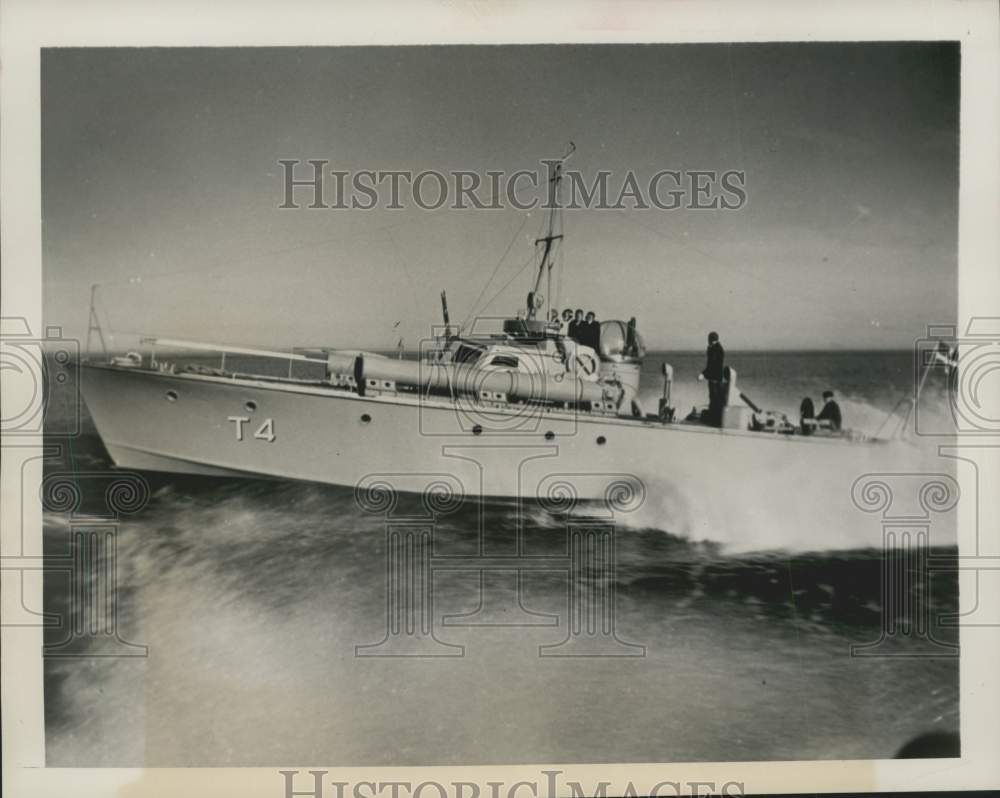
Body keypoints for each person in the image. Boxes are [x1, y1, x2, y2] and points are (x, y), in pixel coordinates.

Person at [697, 331, 725, 426]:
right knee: (714, 399)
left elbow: (712, 366)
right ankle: (714, 420)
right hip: (715, 378)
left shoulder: (716, 350)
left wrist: (703, 374)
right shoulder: (715, 349)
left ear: (711, 340)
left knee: (715, 400)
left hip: (715, 379)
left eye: (709, 340)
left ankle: (715, 421)